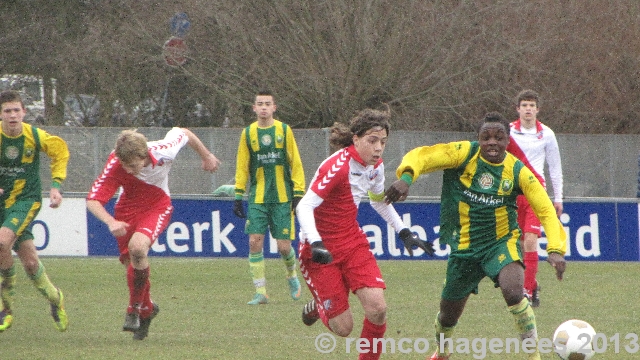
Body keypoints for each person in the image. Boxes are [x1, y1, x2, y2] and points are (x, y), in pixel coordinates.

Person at [384, 112, 566, 360]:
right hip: (465, 248)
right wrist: (406, 178)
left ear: (508, 140)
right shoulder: (463, 154)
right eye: (486, 137)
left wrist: (556, 248)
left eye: (499, 137)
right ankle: (443, 352)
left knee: (514, 291)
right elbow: (424, 157)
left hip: (501, 242)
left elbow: (545, 209)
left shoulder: (517, 171)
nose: (492, 142)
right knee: (448, 315)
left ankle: (534, 356)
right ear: (478, 139)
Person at [297, 109, 435, 360]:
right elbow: (304, 206)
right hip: (319, 250)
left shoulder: (375, 167)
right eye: (372, 141)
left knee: (378, 309)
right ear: (356, 139)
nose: (378, 148)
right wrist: (316, 243)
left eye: (383, 142)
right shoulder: (337, 167)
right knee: (344, 328)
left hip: (351, 241)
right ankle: (320, 306)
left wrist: (404, 232)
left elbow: (378, 201)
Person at [86, 127, 220, 340]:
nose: (128, 171)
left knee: (138, 249)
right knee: (131, 264)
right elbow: (93, 200)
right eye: (125, 166)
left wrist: (206, 156)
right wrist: (110, 221)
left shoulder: (164, 150)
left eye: (133, 166)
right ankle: (147, 310)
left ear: (143, 155)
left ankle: (133, 309)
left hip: (157, 206)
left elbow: (184, 132)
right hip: (126, 210)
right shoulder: (116, 163)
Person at [0, 90, 70, 332]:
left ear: (24, 112)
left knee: (1, 243)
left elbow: (60, 151)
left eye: (16, 110)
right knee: (30, 263)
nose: (12, 115)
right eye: (7, 111)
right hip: (1, 206)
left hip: (25, 201)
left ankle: (5, 308)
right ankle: (56, 298)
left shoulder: (34, 136)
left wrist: (56, 186)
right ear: (1, 114)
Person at [233, 90, 306, 305]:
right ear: (254, 108)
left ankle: (292, 276)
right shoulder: (248, 133)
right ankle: (261, 292)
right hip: (258, 197)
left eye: (267, 103)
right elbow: (242, 165)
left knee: (284, 246)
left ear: (274, 107)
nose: (263, 107)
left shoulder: (284, 130)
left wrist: (299, 192)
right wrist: (238, 194)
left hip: (283, 197)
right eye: (259, 104)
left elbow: (296, 163)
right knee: (255, 242)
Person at [506, 90, 563, 307]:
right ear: (518, 109)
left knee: (531, 240)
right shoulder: (509, 132)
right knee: (520, 244)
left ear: (537, 109)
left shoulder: (546, 134)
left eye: (531, 105)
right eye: (524, 105)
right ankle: (533, 283)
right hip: (514, 191)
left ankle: (526, 291)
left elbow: (555, 167)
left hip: (536, 191)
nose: (528, 109)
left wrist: (558, 198)